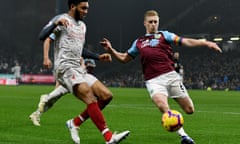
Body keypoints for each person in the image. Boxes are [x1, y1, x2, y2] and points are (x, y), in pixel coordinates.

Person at [100, 10, 222, 144]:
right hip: (153, 81)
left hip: (171, 76)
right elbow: (124, 58)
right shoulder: (139, 42)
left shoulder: (165, 35)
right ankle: (184, 136)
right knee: (162, 105)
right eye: (150, 22)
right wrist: (111, 50)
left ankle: (179, 127)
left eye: (155, 22)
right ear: (145, 23)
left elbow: (185, 41)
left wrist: (205, 43)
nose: (153, 25)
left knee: (189, 109)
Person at [37, 0, 130, 143]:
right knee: (89, 96)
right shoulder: (61, 19)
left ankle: (74, 123)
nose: (86, 11)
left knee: (106, 96)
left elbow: (80, 50)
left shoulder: (82, 26)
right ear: (73, 6)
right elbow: (42, 36)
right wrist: (56, 24)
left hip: (78, 68)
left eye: (87, 8)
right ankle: (109, 137)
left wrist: (98, 57)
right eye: (83, 8)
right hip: (65, 68)